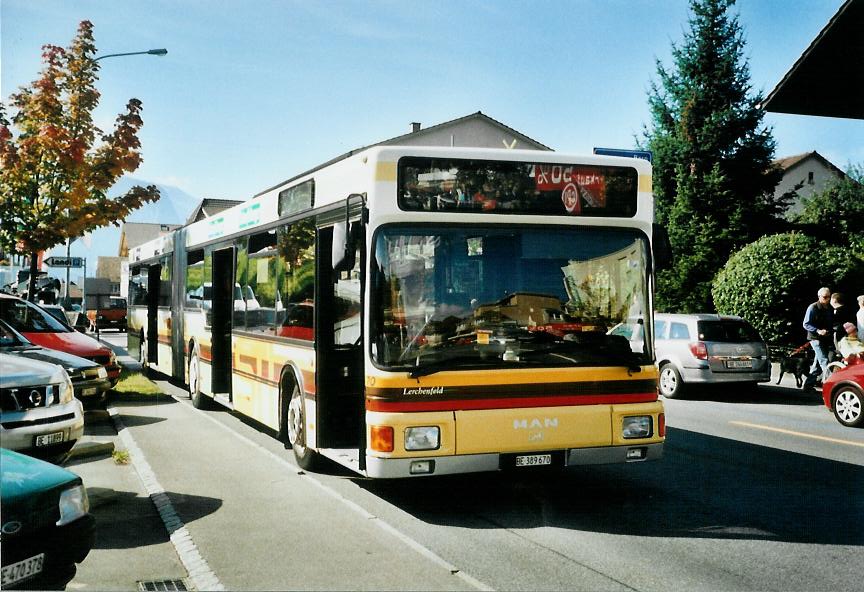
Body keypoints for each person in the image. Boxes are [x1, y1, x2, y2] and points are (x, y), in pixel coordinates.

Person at [801, 287, 835, 390]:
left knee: (817, 363)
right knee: (824, 361)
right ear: (819, 297)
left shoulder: (829, 308)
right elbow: (806, 324)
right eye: (825, 297)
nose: (827, 299)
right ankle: (832, 385)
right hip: (815, 338)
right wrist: (818, 330)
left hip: (826, 338)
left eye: (829, 297)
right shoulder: (813, 308)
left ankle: (808, 385)